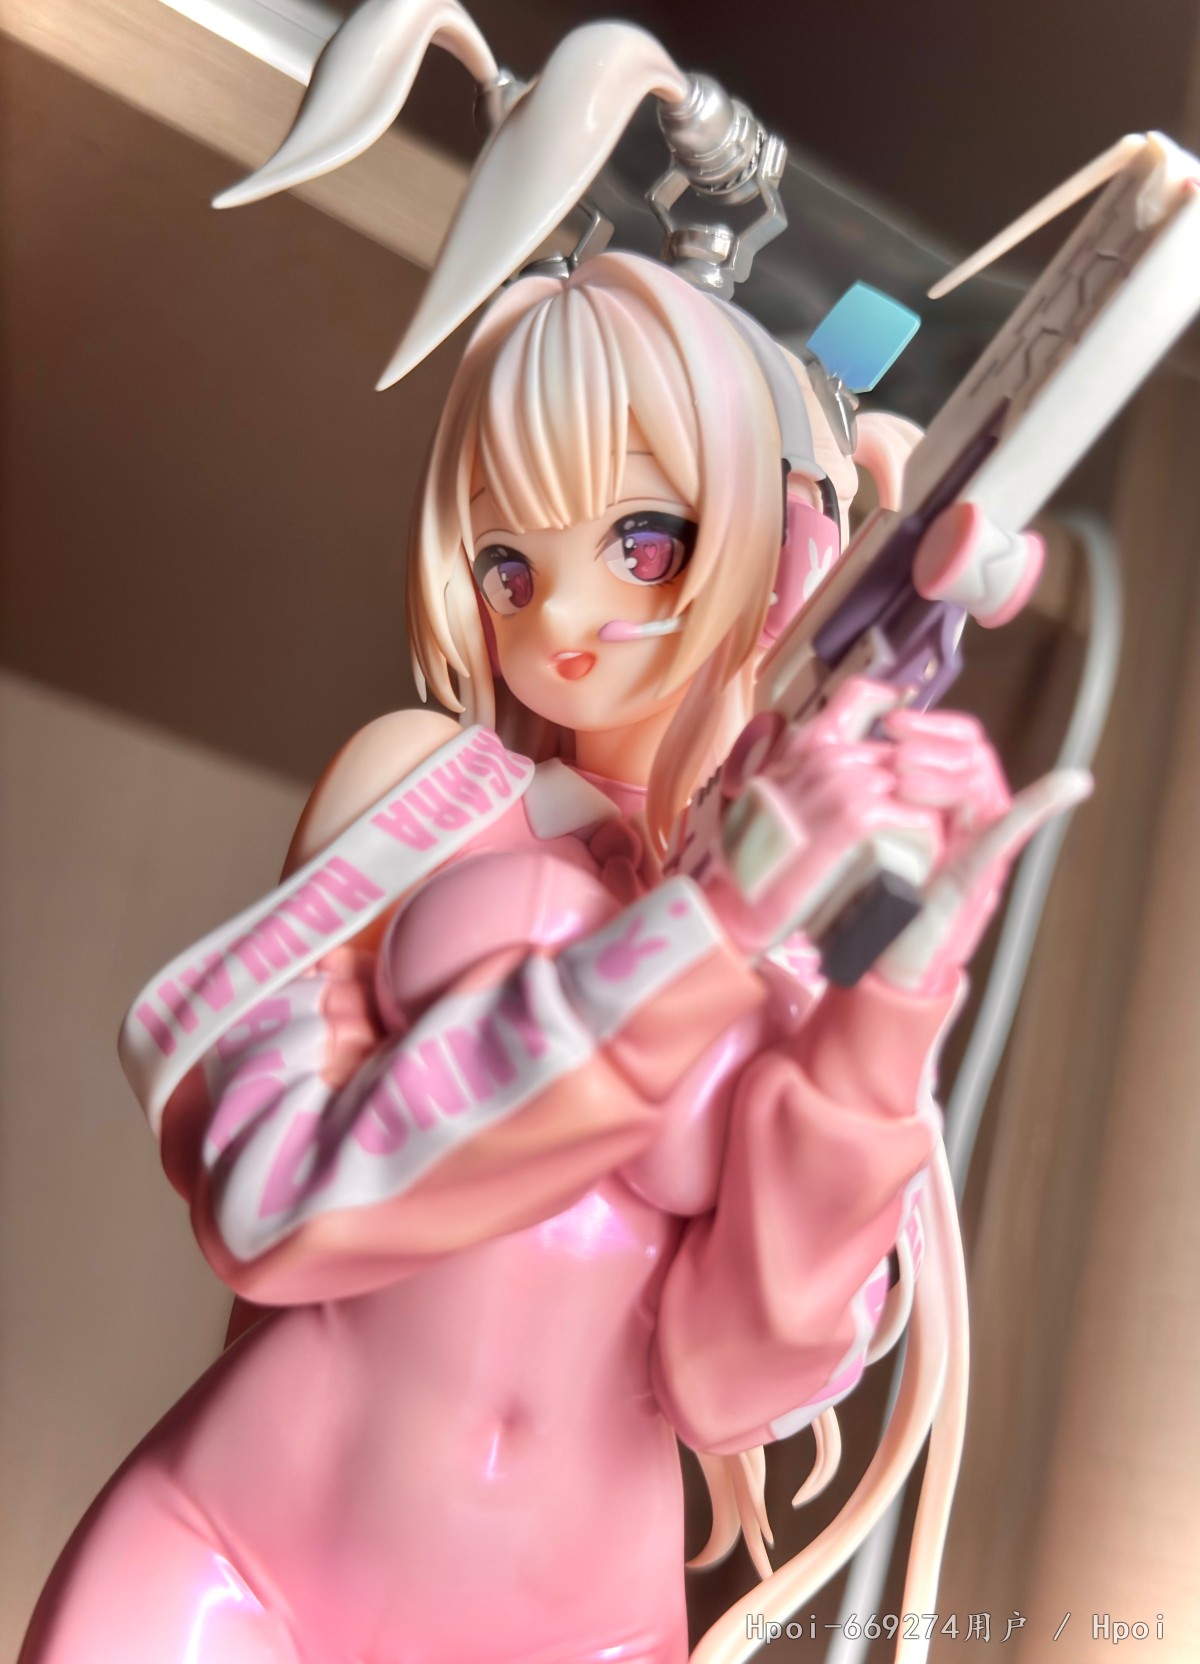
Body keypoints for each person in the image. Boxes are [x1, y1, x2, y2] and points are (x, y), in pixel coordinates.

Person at [19, 247, 1080, 1664]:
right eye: (508, 565)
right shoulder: (423, 790)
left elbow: (733, 1381)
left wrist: (892, 994)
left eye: (643, 541)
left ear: (793, 548)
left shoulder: (793, 934)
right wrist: (706, 928)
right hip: (231, 1573)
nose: (560, 621)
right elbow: (270, 1202)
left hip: (587, 1632)